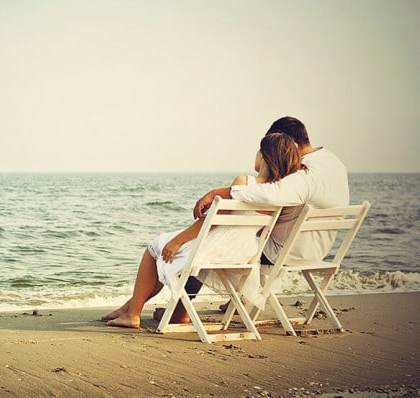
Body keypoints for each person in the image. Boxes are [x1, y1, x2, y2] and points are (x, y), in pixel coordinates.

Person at [156, 116, 349, 320]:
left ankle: (180, 310)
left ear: (286, 142)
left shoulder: (304, 174)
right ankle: (241, 300)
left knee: (214, 242)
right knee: (244, 230)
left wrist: (223, 192)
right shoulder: (332, 162)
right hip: (319, 249)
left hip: (286, 252)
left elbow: (268, 193)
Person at [103, 133, 304, 329]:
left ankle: (133, 314)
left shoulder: (245, 182)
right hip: (241, 254)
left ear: (264, 155)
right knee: (166, 252)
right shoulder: (279, 194)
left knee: (155, 248)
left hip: (216, 249)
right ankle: (130, 308)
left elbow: (212, 222)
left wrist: (178, 241)